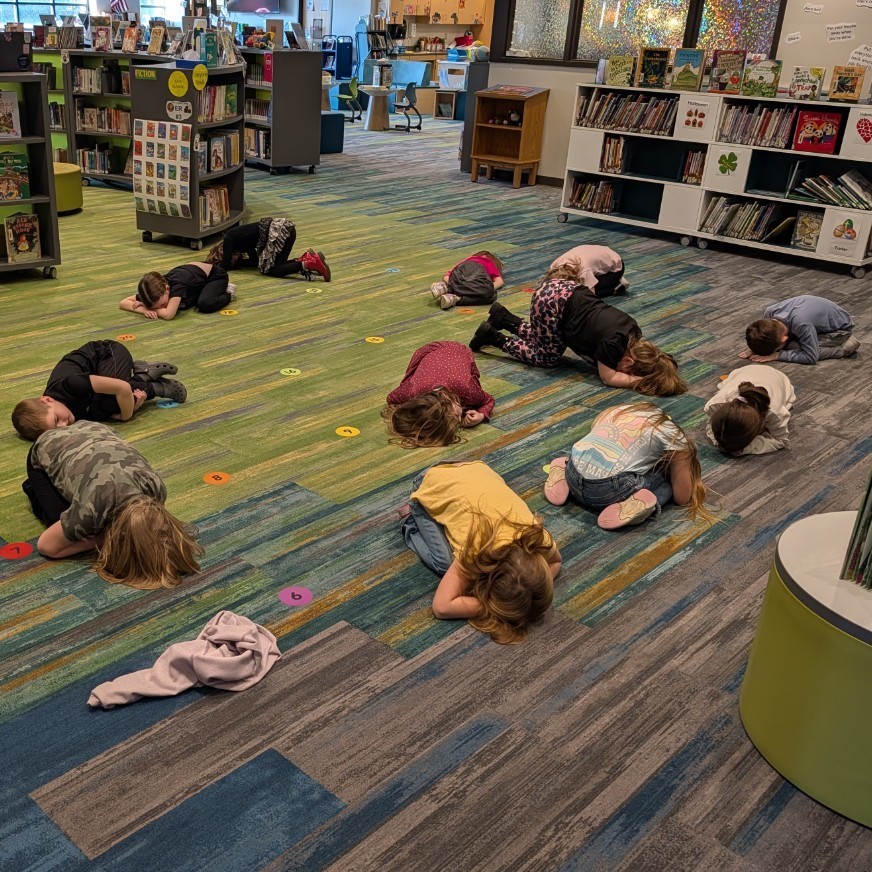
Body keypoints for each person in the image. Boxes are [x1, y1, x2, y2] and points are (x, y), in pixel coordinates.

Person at [23, 420, 203, 589]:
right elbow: (46, 546)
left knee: (76, 522)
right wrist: (102, 539)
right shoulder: (91, 511)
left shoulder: (156, 489)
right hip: (46, 446)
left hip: (95, 428)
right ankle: (32, 487)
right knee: (57, 520)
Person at [400, 460, 561, 643]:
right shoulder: (477, 551)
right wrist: (492, 606)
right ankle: (409, 520)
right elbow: (442, 607)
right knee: (445, 564)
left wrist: (537, 588)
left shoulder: (539, 538)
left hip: (476, 468)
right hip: (429, 482)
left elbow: (556, 561)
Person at [469, 272, 687, 396]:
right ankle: (495, 338)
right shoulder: (612, 346)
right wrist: (636, 381)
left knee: (548, 340)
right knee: (547, 357)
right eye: (627, 371)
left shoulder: (632, 330)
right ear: (629, 362)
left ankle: (505, 319)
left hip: (563, 290)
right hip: (552, 304)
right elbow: (609, 378)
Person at [543, 403, 713, 530]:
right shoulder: (674, 436)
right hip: (609, 490)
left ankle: (561, 469)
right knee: (665, 482)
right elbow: (682, 498)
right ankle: (641, 502)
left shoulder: (617, 410)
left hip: (573, 470)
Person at [11, 340, 186, 441]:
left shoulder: (70, 385)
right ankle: (143, 374)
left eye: (57, 419)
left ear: (47, 400)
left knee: (112, 401)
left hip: (110, 353)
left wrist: (127, 415)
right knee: (100, 413)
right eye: (56, 429)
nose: (64, 426)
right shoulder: (63, 411)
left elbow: (122, 387)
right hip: (98, 379)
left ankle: (154, 386)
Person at [383, 341, 495, 447]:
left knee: (408, 382)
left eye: (457, 417)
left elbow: (488, 400)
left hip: (449, 350)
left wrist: (481, 415)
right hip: (433, 360)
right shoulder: (412, 392)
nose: (460, 420)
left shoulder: (469, 391)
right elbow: (391, 398)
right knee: (409, 383)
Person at [741, 294, 859, 364]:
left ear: (784, 339)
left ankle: (844, 349)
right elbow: (764, 333)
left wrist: (777, 355)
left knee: (795, 347)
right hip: (809, 320)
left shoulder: (801, 323)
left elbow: (811, 357)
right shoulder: (770, 312)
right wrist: (756, 347)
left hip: (840, 330)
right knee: (792, 345)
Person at [704, 365, 795, 455]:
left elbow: (781, 441)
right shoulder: (714, 405)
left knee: (782, 413)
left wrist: (745, 448)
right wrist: (717, 441)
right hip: (743, 370)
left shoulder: (774, 413)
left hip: (779, 378)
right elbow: (710, 425)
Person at [205, 217, 331, 281]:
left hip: (279, 232)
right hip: (285, 230)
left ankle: (310, 263)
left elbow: (224, 266)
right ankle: (304, 260)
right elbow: (254, 262)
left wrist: (208, 268)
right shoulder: (243, 243)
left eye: (222, 255)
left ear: (220, 249)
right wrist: (240, 263)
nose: (230, 258)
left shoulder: (229, 238)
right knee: (277, 266)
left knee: (272, 270)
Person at [121, 261, 236, 319]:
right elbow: (123, 302)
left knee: (204, 304)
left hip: (215, 276)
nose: (161, 307)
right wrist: (144, 310)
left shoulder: (177, 286)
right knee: (192, 301)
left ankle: (228, 293)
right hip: (194, 277)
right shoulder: (152, 290)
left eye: (162, 304)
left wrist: (149, 308)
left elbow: (169, 315)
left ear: (167, 289)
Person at [431, 250, 503, 311]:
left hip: (457, 278)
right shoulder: (488, 261)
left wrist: (451, 285)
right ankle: (457, 298)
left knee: (461, 285)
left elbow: (446, 276)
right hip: (475, 276)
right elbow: (500, 282)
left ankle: (447, 290)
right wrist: (487, 289)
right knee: (491, 296)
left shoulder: (467, 260)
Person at [548, 244, 629, 298]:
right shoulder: (554, 265)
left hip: (616, 267)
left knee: (583, 293)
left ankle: (617, 286)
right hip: (599, 253)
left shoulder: (584, 271)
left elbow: (590, 297)